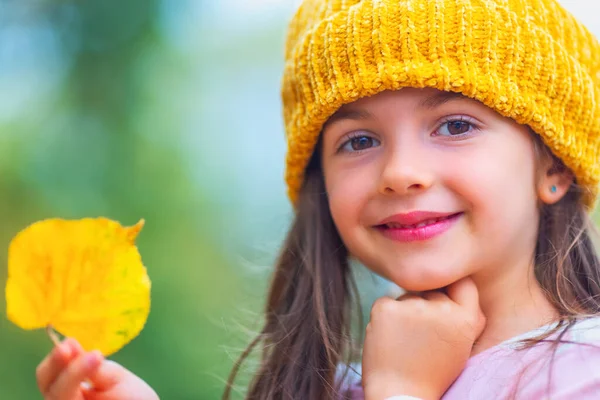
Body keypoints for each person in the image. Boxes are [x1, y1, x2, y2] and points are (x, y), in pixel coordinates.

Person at [35, 0, 600, 399]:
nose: (400, 173)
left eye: (454, 125)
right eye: (359, 141)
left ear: (553, 166)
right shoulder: (332, 387)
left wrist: (402, 392)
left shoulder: (582, 374)